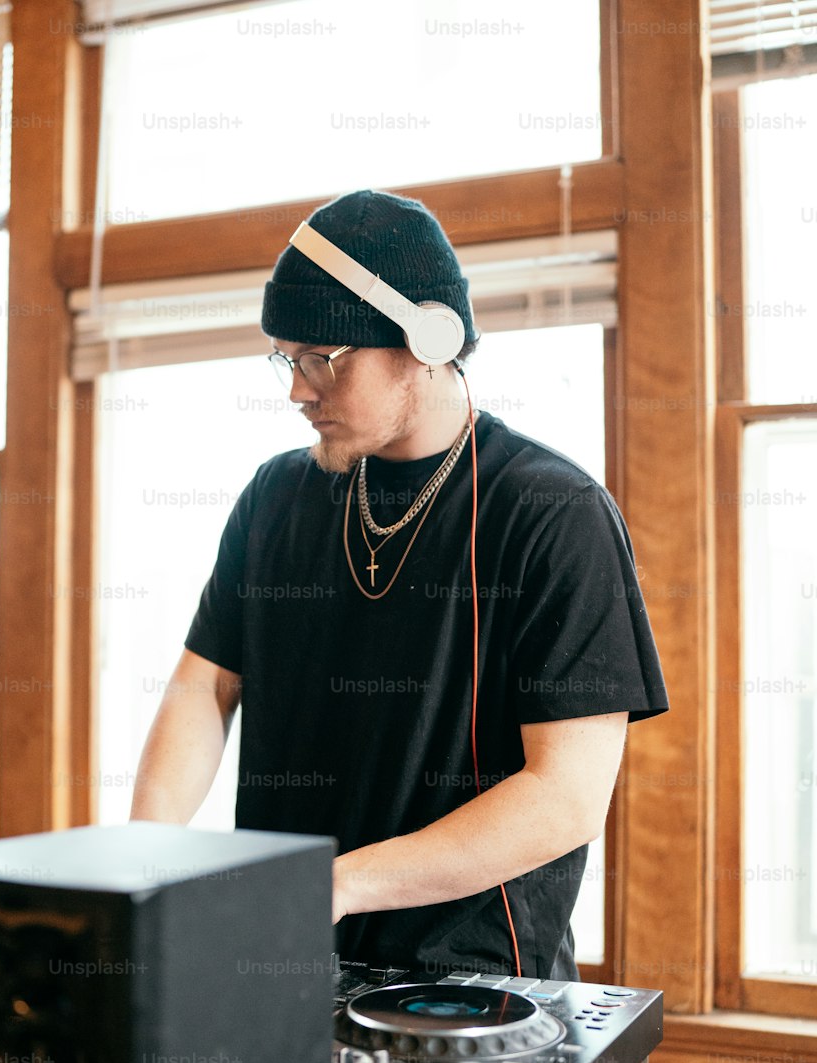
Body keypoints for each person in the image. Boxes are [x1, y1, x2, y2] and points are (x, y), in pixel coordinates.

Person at [130, 189, 668, 981]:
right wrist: (141, 859)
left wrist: (338, 885)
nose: (297, 390)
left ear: (426, 336)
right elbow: (202, 690)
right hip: (284, 963)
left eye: (322, 359)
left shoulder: (552, 513)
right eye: (287, 358)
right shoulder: (276, 497)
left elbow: (566, 796)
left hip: (475, 987)